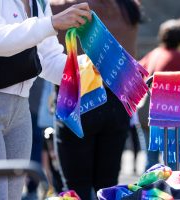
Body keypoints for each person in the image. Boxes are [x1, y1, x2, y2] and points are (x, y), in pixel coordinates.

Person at [0, 1, 92, 199]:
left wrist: (86, 68)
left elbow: (48, 59)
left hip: (21, 109)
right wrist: (51, 23)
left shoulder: (39, 2)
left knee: (12, 195)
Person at [50, 0, 143, 199]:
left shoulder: (69, 6)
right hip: (118, 101)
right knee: (108, 185)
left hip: (79, 100)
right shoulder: (129, 8)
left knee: (76, 187)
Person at [138, 18, 180, 170]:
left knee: (150, 162)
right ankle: (170, 192)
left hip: (144, 111)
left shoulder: (154, 53)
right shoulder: (178, 57)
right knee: (171, 163)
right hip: (167, 115)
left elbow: (137, 70)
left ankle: (147, 192)